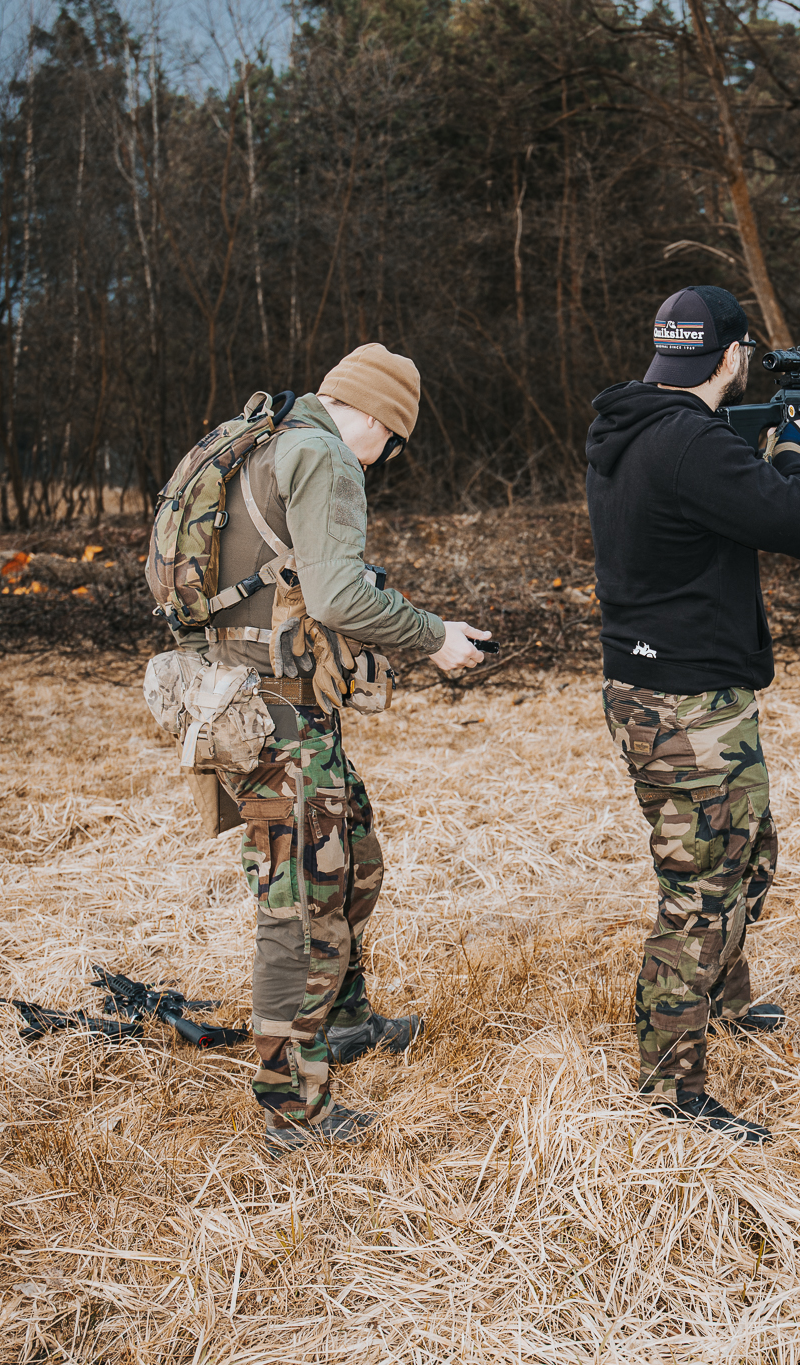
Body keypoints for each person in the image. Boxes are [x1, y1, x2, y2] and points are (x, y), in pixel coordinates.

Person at [176, 343, 492, 1156]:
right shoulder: (321, 455)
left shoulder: (277, 435)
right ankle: (293, 1105)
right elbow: (337, 593)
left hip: (269, 703)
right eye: (394, 442)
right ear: (381, 420)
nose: (386, 459)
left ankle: (345, 1020)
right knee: (301, 903)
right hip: (273, 714)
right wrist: (435, 638)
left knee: (355, 853)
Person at [585, 285, 800, 1143]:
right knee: (704, 886)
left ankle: (725, 999)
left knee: (745, 853)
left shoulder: (637, 427)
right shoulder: (690, 444)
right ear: (732, 356)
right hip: (687, 703)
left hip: (657, 688)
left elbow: (749, 505)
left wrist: (791, 453)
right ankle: (671, 1091)